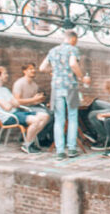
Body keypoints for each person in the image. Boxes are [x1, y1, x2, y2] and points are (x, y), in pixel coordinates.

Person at [39, 29, 91, 159]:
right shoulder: (73, 50)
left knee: (59, 119)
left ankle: (60, 151)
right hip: (71, 88)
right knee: (73, 116)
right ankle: (72, 148)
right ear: (73, 39)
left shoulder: (53, 51)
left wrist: (55, 70)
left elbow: (42, 68)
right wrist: (82, 77)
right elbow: (73, 64)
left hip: (56, 88)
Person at [0, 66, 47, 153]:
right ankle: (27, 145)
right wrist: (12, 102)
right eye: (5, 74)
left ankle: (30, 141)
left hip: (16, 113)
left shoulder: (5, 89)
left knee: (45, 116)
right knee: (36, 120)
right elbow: (7, 107)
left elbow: (16, 103)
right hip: (8, 117)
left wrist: (11, 103)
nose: (7, 75)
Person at [12, 62, 53, 147]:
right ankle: (36, 139)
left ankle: (40, 137)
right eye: (30, 69)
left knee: (52, 113)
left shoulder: (34, 85)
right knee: (47, 115)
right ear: (24, 71)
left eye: (34, 69)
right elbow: (17, 101)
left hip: (32, 106)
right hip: (22, 109)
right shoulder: (19, 83)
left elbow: (33, 101)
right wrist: (34, 99)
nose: (33, 71)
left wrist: (41, 100)